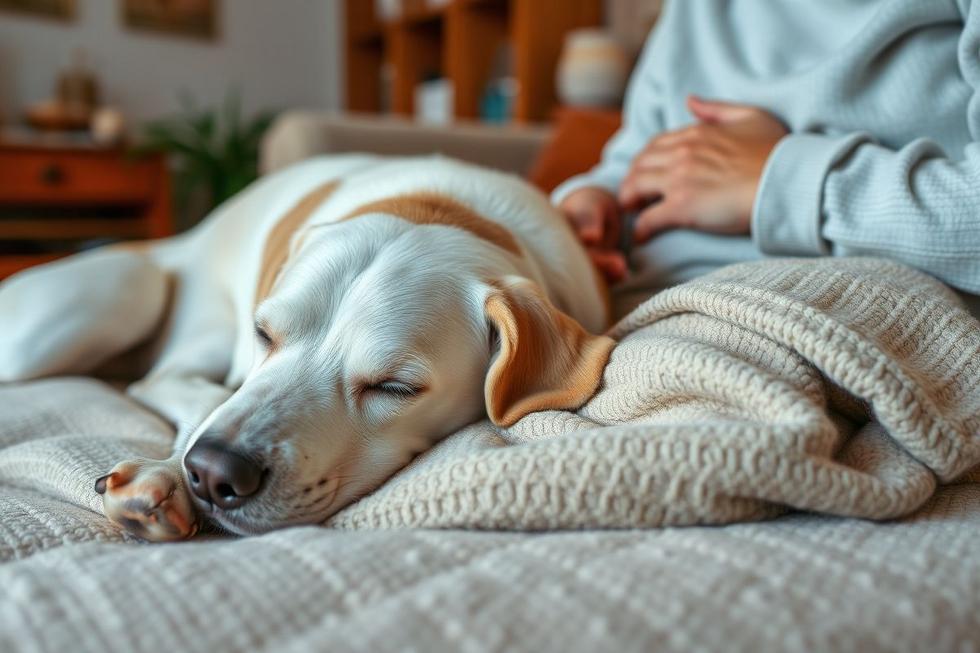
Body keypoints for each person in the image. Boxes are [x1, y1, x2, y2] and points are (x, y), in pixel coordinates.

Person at [554, 0, 980, 317]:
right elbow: (635, 160)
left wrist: (781, 184)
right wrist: (592, 204)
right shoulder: (691, 11)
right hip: (637, 309)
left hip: (838, 311)